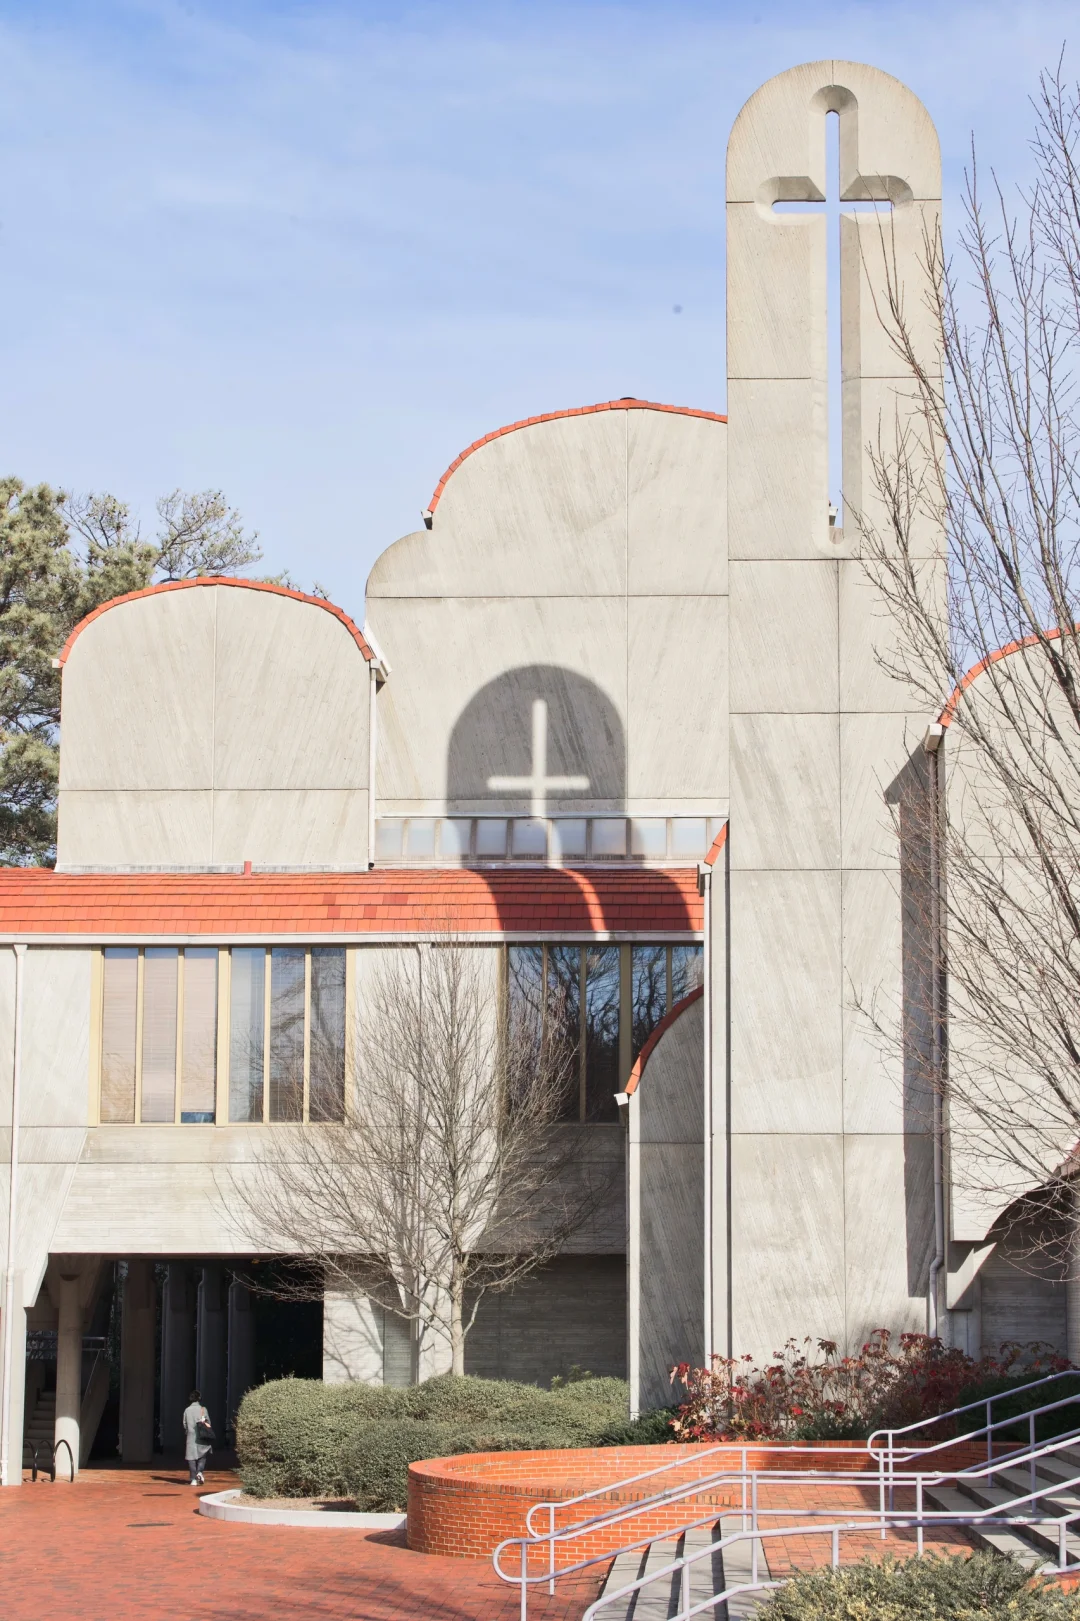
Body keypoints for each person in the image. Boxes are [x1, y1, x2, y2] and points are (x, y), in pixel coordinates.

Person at [182, 1388, 213, 1486]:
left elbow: (184, 1424)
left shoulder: (187, 1410)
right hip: (202, 1436)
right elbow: (208, 1422)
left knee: (191, 1458)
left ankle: (193, 1479)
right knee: (202, 1456)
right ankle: (199, 1472)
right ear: (199, 1398)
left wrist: (188, 1430)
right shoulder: (203, 1409)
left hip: (191, 1436)